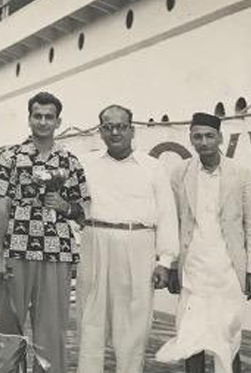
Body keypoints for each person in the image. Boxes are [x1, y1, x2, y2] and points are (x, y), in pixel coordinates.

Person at [0, 91, 90, 373]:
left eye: (49, 117)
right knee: (6, 326)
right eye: (38, 116)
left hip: (56, 252)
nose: (43, 122)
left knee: (51, 329)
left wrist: (65, 205)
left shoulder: (70, 161)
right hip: (15, 249)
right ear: (30, 118)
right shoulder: (10, 156)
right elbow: (1, 205)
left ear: (58, 122)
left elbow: (82, 212)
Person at [156, 112, 251, 373]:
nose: (204, 142)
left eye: (209, 136)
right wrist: (171, 266)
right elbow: (172, 223)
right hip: (193, 269)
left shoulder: (241, 174)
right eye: (198, 137)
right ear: (191, 139)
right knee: (191, 338)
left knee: (227, 338)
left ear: (220, 138)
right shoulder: (179, 173)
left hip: (228, 271)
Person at [76, 104, 179, 373]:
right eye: (108, 127)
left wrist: (165, 261)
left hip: (139, 244)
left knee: (134, 324)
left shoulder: (153, 167)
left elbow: (167, 215)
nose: (114, 132)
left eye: (121, 126)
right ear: (100, 131)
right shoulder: (85, 164)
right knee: (90, 320)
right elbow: (71, 207)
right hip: (95, 241)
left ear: (132, 130)